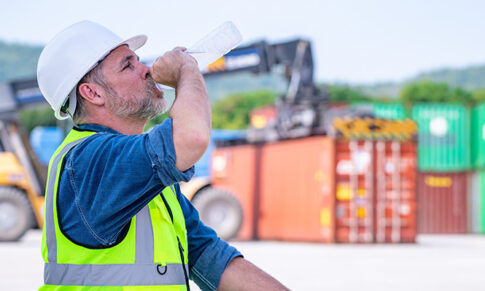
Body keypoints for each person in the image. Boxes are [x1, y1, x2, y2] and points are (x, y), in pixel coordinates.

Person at [37, 21, 288, 290]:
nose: (146, 69)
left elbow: (207, 256)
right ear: (93, 93)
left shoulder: (146, 175)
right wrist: (186, 69)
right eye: (128, 65)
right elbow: (191, 138)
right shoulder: (88, 161)